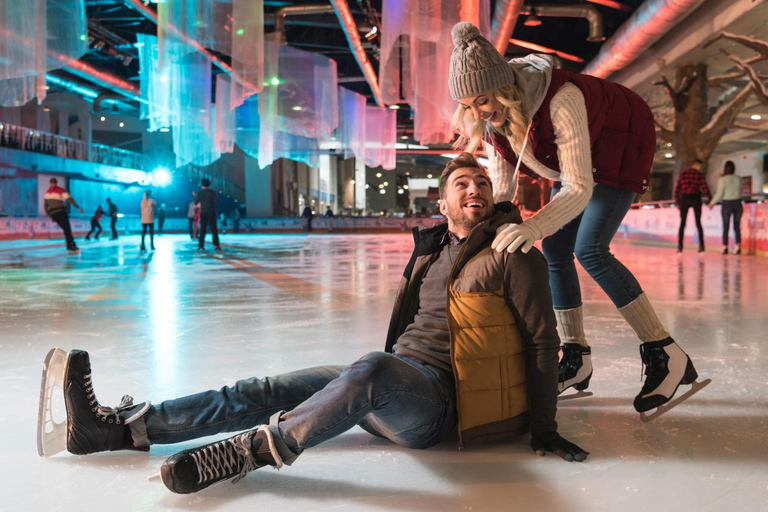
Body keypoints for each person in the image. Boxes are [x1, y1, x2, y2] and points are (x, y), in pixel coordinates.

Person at [37, 154, 588, 496]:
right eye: (462, 184)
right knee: (263, 388)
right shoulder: (431, 250)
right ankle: (119, 429)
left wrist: (542, 425)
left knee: (369, 368)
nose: (475, 191)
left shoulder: (513, 253)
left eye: (482, 184)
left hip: (440, 405)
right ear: (442, 202)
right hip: (396, 382)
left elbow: (544, 344)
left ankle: (252, 451)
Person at [448, 22, 708, 419]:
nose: (479, 112)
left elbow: (580, 187)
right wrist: (491, 226)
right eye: (468, 105)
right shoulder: (491, 124)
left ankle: (665, 352)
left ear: (503, 87)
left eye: (483, 100)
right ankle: (576, 357)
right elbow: (504, 187)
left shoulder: (560, 99)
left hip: (621, 140)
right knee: (555, 247)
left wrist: (533, 225)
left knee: (591, 250)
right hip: (578, 162)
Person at [674, 159, 711, 253]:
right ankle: (701, 246)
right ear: (697, 165)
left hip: (685, 198)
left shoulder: (683, 174)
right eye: (700, 166)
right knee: (698, 223)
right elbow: (704, 187)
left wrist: (678, 202)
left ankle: (680, 246)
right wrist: (710, 199)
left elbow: (677, 189)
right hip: (695, 197)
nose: (700, 168)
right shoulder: (699, 175)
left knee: (682, 223)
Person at [708, 160, 743, 255]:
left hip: (727, 203)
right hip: (737, 203)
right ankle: (738, 246)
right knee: (737, 226)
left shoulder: (722, 179)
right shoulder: (739, 179)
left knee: (726, 226)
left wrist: (712, 203)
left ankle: (725, 246)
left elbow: (719, 193)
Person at [44, 177, 83, 254]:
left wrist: (50, 216)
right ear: (56, 183)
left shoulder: (47, 194)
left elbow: (45, 207)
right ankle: (70, 244)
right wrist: (78, 207)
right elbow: (70, 200)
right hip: (61, 212)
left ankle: (69, 243)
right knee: (67, 229)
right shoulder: (61, 190)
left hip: (54, 213)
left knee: (66, 229)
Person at [193, 178, 221, 251]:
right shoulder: (213, 192)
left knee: (203, 229)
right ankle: (216, 245)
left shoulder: (200, 193)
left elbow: (196, 202)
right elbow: (216, 202)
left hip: (204, 212)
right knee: (214, 229)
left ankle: (201, 245)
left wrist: (195, 196)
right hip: (212, 212)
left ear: (202, 185)